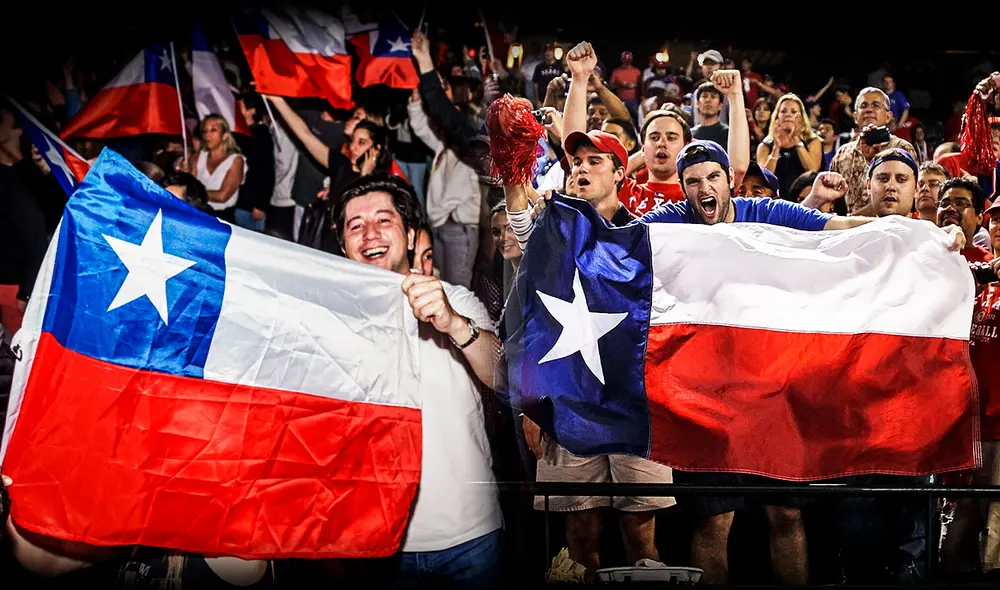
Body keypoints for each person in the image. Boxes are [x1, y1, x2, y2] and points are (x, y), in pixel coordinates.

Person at [332, 175, 503, 589]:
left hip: (468, 535)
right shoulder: (331, 319)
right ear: (343, 246)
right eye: (355, 225)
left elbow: (506, 378)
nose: (370, 234)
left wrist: (454, 325)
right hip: (375, 542)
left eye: (383, 220)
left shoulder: (455, 299)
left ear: (409, 236)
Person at [188, 114, 246, 224]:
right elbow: (189, 186)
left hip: (223, 217)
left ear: (225, 135)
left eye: (213, 130)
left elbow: (223, 196)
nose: (207, 135)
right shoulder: (197, 157)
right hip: (199, 214)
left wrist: (195, 193)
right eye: (205, 131)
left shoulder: (236, 160)